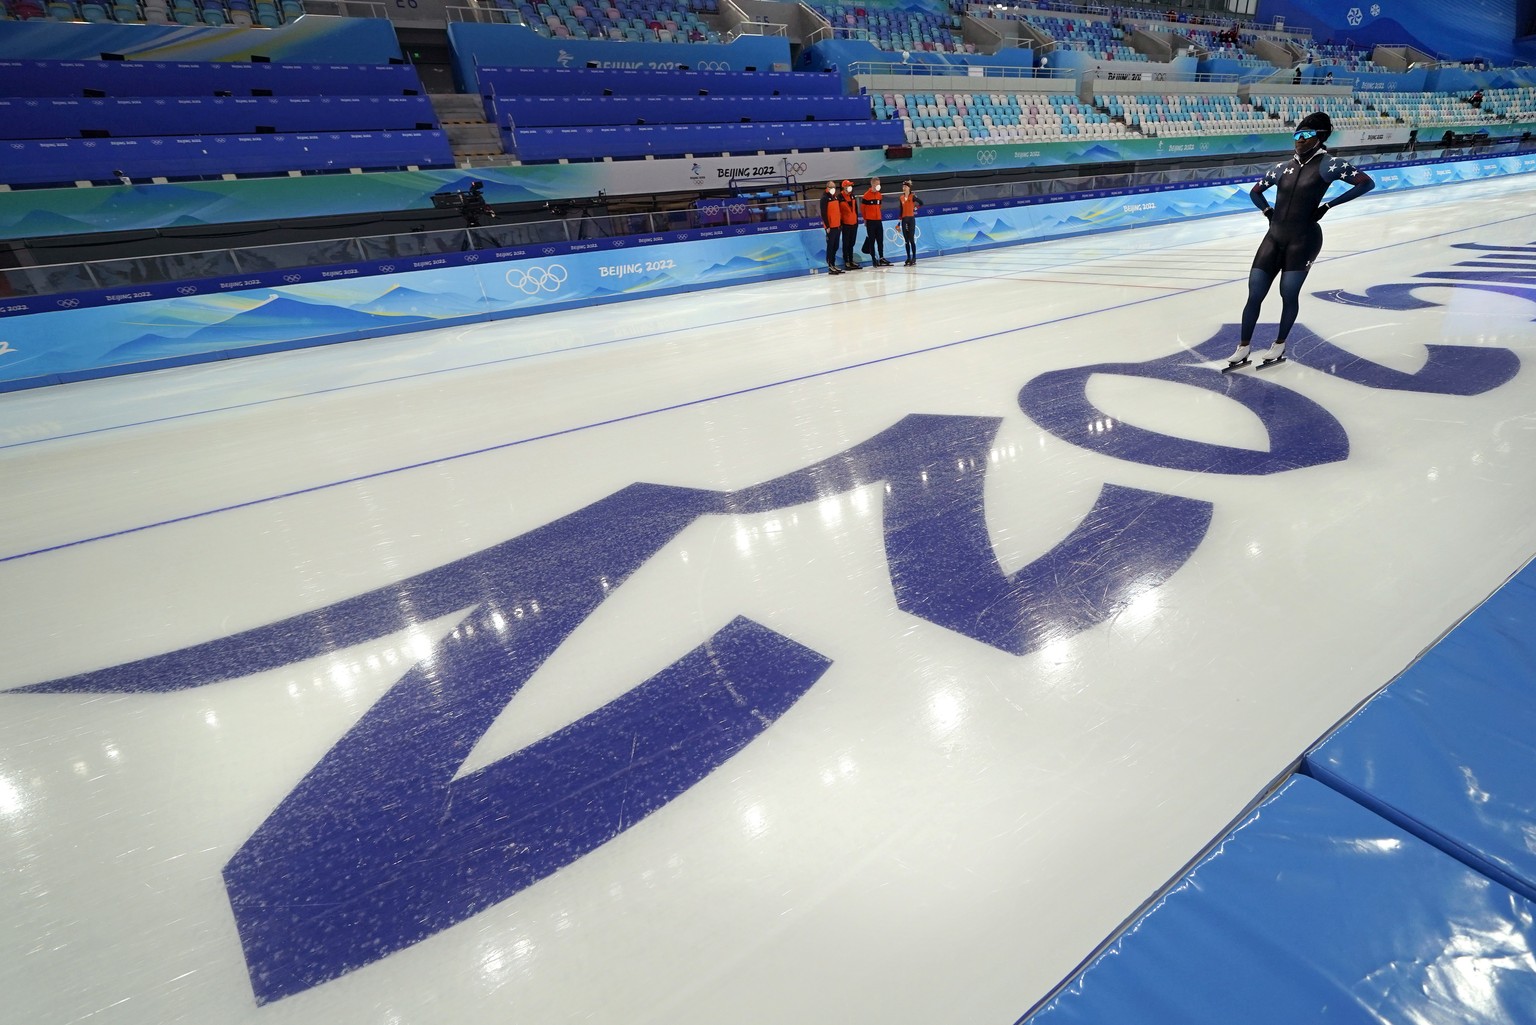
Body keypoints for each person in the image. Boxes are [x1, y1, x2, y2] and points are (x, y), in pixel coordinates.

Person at [1225, 112, 1375, 370]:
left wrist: (1328, 205)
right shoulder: (1283, 167)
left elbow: (1365, 183)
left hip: (1304, 239)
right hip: (1273, 238)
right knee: (1255, 294)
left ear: (1320, 138)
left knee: (1288, 294)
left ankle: (1280, 344)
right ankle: (1243, 347)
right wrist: (1267, 212)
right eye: (1297, 135)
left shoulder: (1330, 164)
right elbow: (1255, 191)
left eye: (1306, 136)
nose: (1300, 140)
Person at [860, 178, 890, 266]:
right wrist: (865, 219)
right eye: (877, 184)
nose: (878, 185)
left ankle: (881, 257)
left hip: (878, 220)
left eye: (879, 183)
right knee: (872, 240)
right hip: (870, 221)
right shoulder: (866, 195)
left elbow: (879, 206)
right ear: (872, 184)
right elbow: (863, 209)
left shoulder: (879, 195)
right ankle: (873, 258)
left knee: (880, 240)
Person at [819, 180, 844, 274]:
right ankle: (830, 266)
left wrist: (840, 223)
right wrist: (827, 226)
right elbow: (823, 213)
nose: (833, 189)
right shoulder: (824, 198)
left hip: (837, 226)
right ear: (827, 187)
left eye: (834, 187)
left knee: (836, 246)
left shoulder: (835, 198)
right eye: (831, 187)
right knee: (830, 246)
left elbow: (838, 212)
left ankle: (833, 264)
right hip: (830, 227)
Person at [838, 179, 862, 270]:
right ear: (844, 187)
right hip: (845, 224)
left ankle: (851, 260)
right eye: (849, 186)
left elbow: (855, 209)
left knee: (852, 243)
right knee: (846, 243)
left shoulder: (852, 196)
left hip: (854, 223)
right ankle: (846, 261)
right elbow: (839, 212)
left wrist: (856, 221)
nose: (850, 187)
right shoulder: (840, 197)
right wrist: (841, 223)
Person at [898, 179, 922, 266]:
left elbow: (921, 203)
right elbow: (901, 209)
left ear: (908, 188)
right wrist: (899, 222)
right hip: (904, 220)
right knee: (906, 240)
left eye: (905, 187)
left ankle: (914, 257)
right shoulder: (901, 197)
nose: (903, 188)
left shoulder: (912, 197)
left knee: (911, 239)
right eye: (903, 186)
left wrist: (916, 208)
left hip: (911, 219)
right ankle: (908, 257)